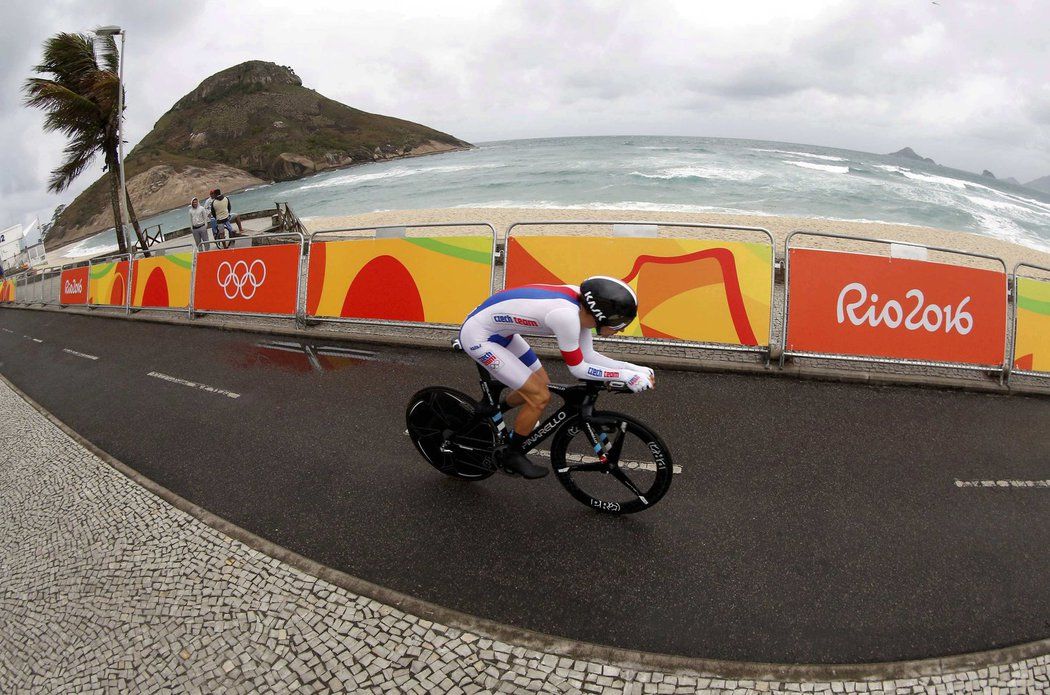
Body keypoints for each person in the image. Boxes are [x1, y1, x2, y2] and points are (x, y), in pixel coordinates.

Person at [459, 276, 654, 479]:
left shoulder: (582, 309)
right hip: (479, 336)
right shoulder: (566, 317)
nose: (621, 329)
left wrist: (634, 369)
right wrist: (626, 377)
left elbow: (588, 356)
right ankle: (511, 454)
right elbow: (578, 368)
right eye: (618, 323)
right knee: (539, 396)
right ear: (600, 315)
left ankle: (494, 410)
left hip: (501, 332)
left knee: (540, 383)